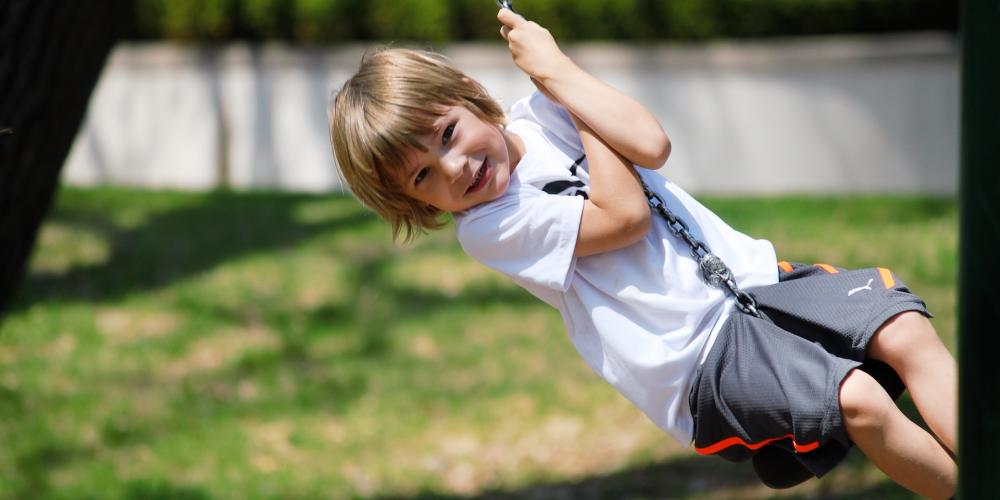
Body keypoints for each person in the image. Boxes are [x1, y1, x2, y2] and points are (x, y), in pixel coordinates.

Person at [328, 8, 958, 498]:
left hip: (759, 284)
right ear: (417, 204)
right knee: (858, 400)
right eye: (422, 178)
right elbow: (624, 217)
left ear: (468, 93)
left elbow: (651, 145)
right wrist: (567, 95)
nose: (454, 168)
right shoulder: (491, 225)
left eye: (447, 134)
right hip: (696, 360)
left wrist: (556, 74)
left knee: (902, 327)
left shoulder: (543, 109)